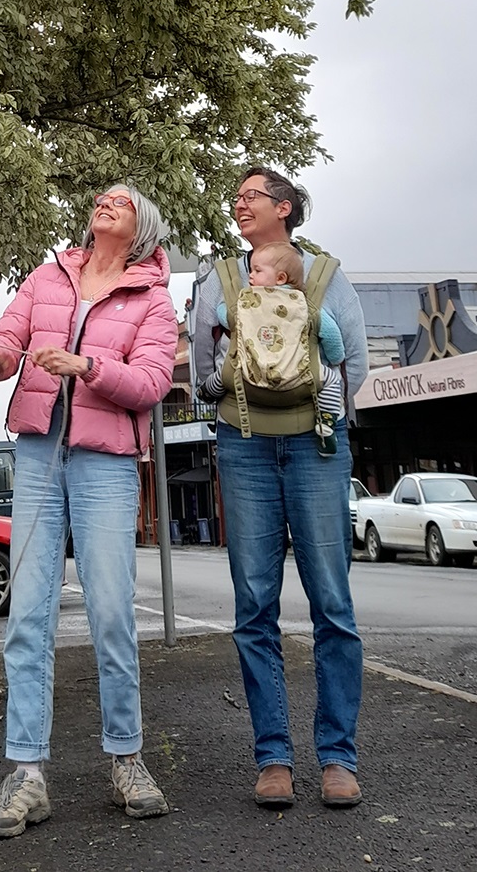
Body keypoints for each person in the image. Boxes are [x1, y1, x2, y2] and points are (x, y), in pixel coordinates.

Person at [0, 184, 178, 840]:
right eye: (99, 197)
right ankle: (27, 775)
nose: (103, 201)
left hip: (107, 466)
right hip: (37, 457)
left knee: (112, 611)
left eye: (119, 200)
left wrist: (87, 365)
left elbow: (151, 386)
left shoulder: (153, 301)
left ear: (139, 225)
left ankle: (126, 759)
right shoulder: (47, 275)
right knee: (27, 614)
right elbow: (7, 340)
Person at [193, 168, 369, 810]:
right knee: (254, 604)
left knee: (332, 602)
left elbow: (353, 360)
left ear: (285, 208)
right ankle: (273, 757)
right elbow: (201, 369)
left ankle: (337, 758)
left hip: (317, 444)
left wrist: (322, 412)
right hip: (243, 444)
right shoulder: (217, 276)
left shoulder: (328, 274)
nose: (237, 205)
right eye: (234, 197)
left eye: (250, 197)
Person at [198, 239, 347, 446]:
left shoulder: (249, 301)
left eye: (257, 271)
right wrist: (335, 357)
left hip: (253, 369)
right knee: (330, 381)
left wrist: (222, 306)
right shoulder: (303, 303)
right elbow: (330, 333)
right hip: (298, 371)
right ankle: (327, 420)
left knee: (226, 374)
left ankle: (206, 391)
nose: (250, 275)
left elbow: (227, 317)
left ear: (280, 277)